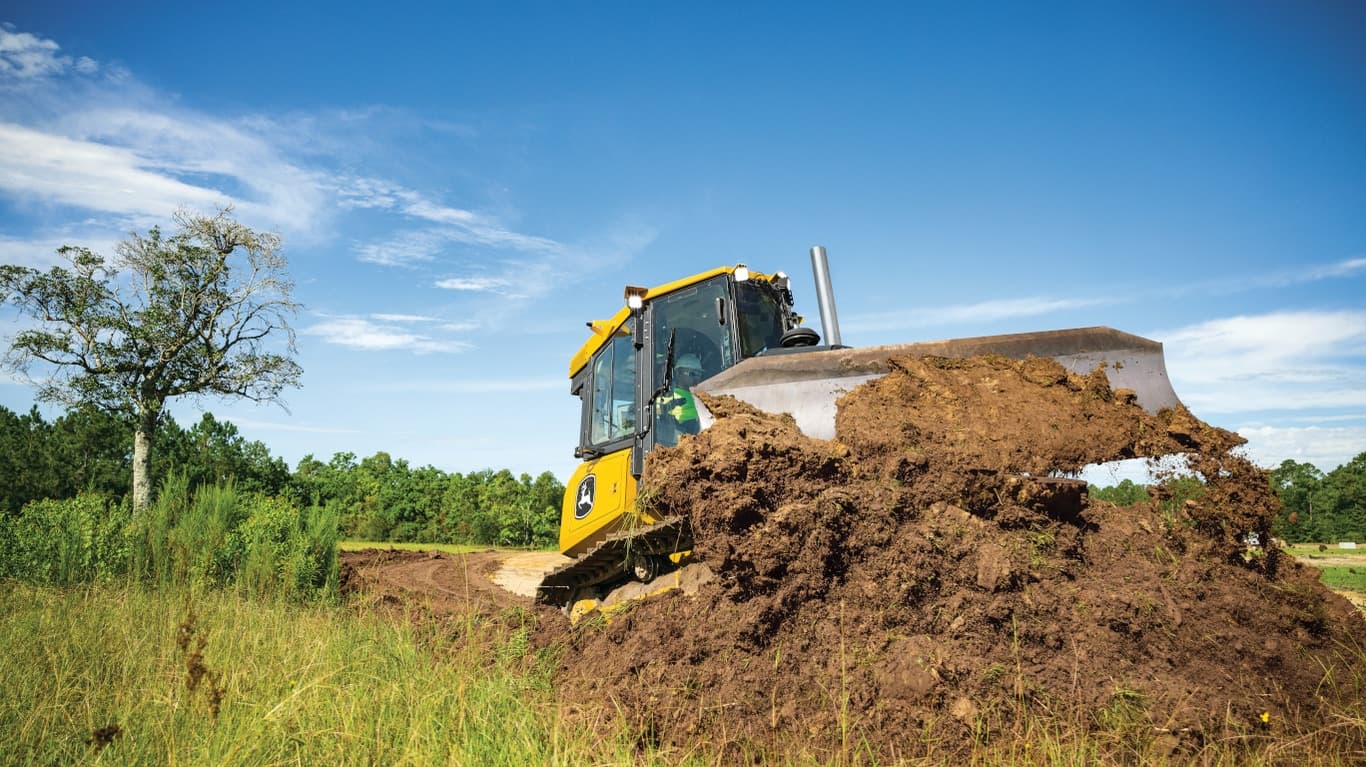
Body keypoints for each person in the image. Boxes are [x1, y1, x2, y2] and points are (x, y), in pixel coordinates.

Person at [658, 353, 703, 437]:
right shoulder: (668, 395)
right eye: (692, 374)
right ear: (678, 373)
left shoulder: (703, 395)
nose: (696, 378)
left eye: (699, 374)